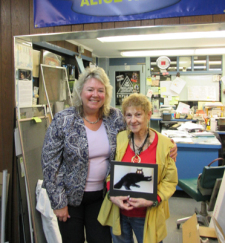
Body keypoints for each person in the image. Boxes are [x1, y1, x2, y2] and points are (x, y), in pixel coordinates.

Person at [42, 67, 177, 243]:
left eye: (100, 90)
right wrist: (58, 202)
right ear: (80, 91)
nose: (95, 95)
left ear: (106, 94)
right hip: (70, 198)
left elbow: (137, 127)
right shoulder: (63, 120)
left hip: (102, 197)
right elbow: (50, 163)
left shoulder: (114, 117)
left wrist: (168, 145)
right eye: (90, 89)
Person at [98, 93, 178, 243]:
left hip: (147, 214)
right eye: (128, 115)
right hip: (120, 213)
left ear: (148, 115)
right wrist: (112, 194)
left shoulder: (165, 144)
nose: (132, 120)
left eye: (138, 114)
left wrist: (153, 199)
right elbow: (110, 173)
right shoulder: (120, 138)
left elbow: (170, 181)